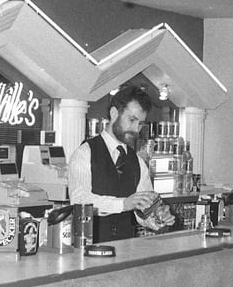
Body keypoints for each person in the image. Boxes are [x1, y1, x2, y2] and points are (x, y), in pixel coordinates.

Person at [68, 85, 175, 242]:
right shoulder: (85, 153)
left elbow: (143, 213)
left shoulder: (137, 162)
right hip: (89, 249)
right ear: (113, 113)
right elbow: (79, 201)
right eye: (132, 120)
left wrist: (157, 217)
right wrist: (123, 204)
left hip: (125, 250)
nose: (136, 129)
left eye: (140, 123)